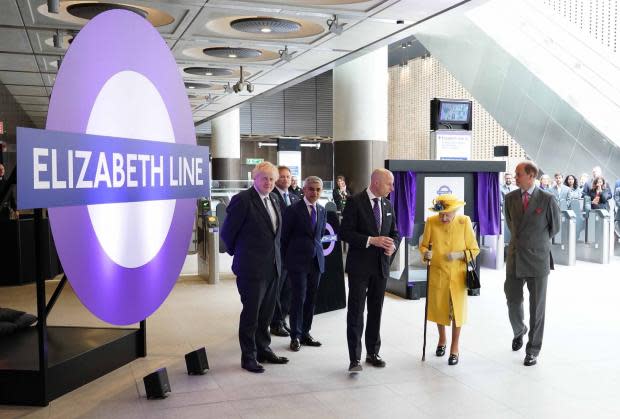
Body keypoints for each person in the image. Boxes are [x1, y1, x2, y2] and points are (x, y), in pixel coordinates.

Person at [221, 161, 289, 373]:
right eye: (264, 178)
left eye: (271, 178)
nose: (268, 182)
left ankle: (263, 349)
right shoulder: (242, 200)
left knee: (267, 314)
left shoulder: (275, 199)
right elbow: (227, 234)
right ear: (254, 178)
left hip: (273, 267)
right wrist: (242, 255)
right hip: (251, 269)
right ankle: (248, 356)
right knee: (251, 314)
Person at [340, 168, 400, 372]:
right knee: (356, 312)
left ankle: (372, 352)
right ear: (376, 182)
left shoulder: (388, 204)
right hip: (359, 267)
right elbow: (345, 233)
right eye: (389, 184)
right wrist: (370, 240)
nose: (392, 187)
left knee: (376, 311)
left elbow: (395, 233)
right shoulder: (355, 202)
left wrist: (393, 246)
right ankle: (354, 358)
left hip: (380, 267)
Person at [504, 161, 560, 367]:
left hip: (538, 260)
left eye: (518, 174)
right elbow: (510, 223)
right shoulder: (509, 198)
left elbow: (555, 227)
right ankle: (519, 330)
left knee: (537, 308)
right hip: (515, 257)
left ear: (531, 175)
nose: (515, 177)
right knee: (512, 299)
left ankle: (533, 349)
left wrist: (535, 242)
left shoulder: (547, 199)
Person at [419, 194, 479, 366]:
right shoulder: (431, 221)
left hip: (458, 276)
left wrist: (460, 254)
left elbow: (474, 249)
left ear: (455, 211)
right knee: (440, 309)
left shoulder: (464, 222)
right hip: (438, 274)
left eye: (447, 214)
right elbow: (423, 245)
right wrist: (425, 253)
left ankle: (454, 347)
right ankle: (442, 339)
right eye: (441, 214)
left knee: (457, 313)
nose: (443, 217)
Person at [281, 176, 327, 352]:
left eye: (318, 190)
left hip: (316, 261)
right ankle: (295, 336)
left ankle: (306, 333)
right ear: (304, 190)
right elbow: (284, 238)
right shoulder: (293, 210)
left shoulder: (322, 210)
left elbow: (320, 234)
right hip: (297, 261)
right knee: (298, 299)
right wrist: (287, 260)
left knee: (311, 299)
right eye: (311, 189)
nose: (314, 193)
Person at [270, 166, 300, 337]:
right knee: (277, 289)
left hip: (293, 253)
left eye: (288, 176)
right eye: (282, 176)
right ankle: (274, 322)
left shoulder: (295, 198)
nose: (286, 179)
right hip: (278, 252)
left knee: (288, 289)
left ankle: (282, 320)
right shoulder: (271, 197)